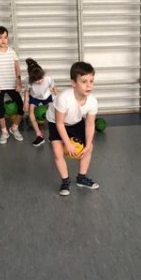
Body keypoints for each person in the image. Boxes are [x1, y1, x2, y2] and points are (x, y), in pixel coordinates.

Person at [46, 61, 99, 196]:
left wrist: (87, 145)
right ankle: (65, 181)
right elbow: (59, 123)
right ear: (73, 83)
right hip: (56, 122)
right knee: (58, 151)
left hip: (75, 121)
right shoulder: (63, 98)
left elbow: (90, 124)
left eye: (91, 81)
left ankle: (81, 178)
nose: (89, 85)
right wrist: (68, 144)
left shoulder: (92, 101)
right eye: (84, 81)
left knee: (89, 147)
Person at [0, 26, 24, 144]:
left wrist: (18, 82)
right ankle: (4, 132)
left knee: (21, 106)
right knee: (0, 109)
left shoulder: (12, 52)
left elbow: (17, 68)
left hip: (12, 85)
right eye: (0, 37)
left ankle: (14, 128)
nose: (3, 40)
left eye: (5, 37)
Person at [23, 58, 57, 147]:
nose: (39, 81)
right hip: (34, 98)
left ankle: (53, 135)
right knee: (31, 114)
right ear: (31, 78)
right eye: (36, 80)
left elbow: (54, 88)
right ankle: (39, 135)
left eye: (40, 79)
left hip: (47, 97)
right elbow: (26, 91)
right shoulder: (28, 80)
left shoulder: (48, 78)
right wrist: (25, 102)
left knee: (53, 113)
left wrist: (58, 98)